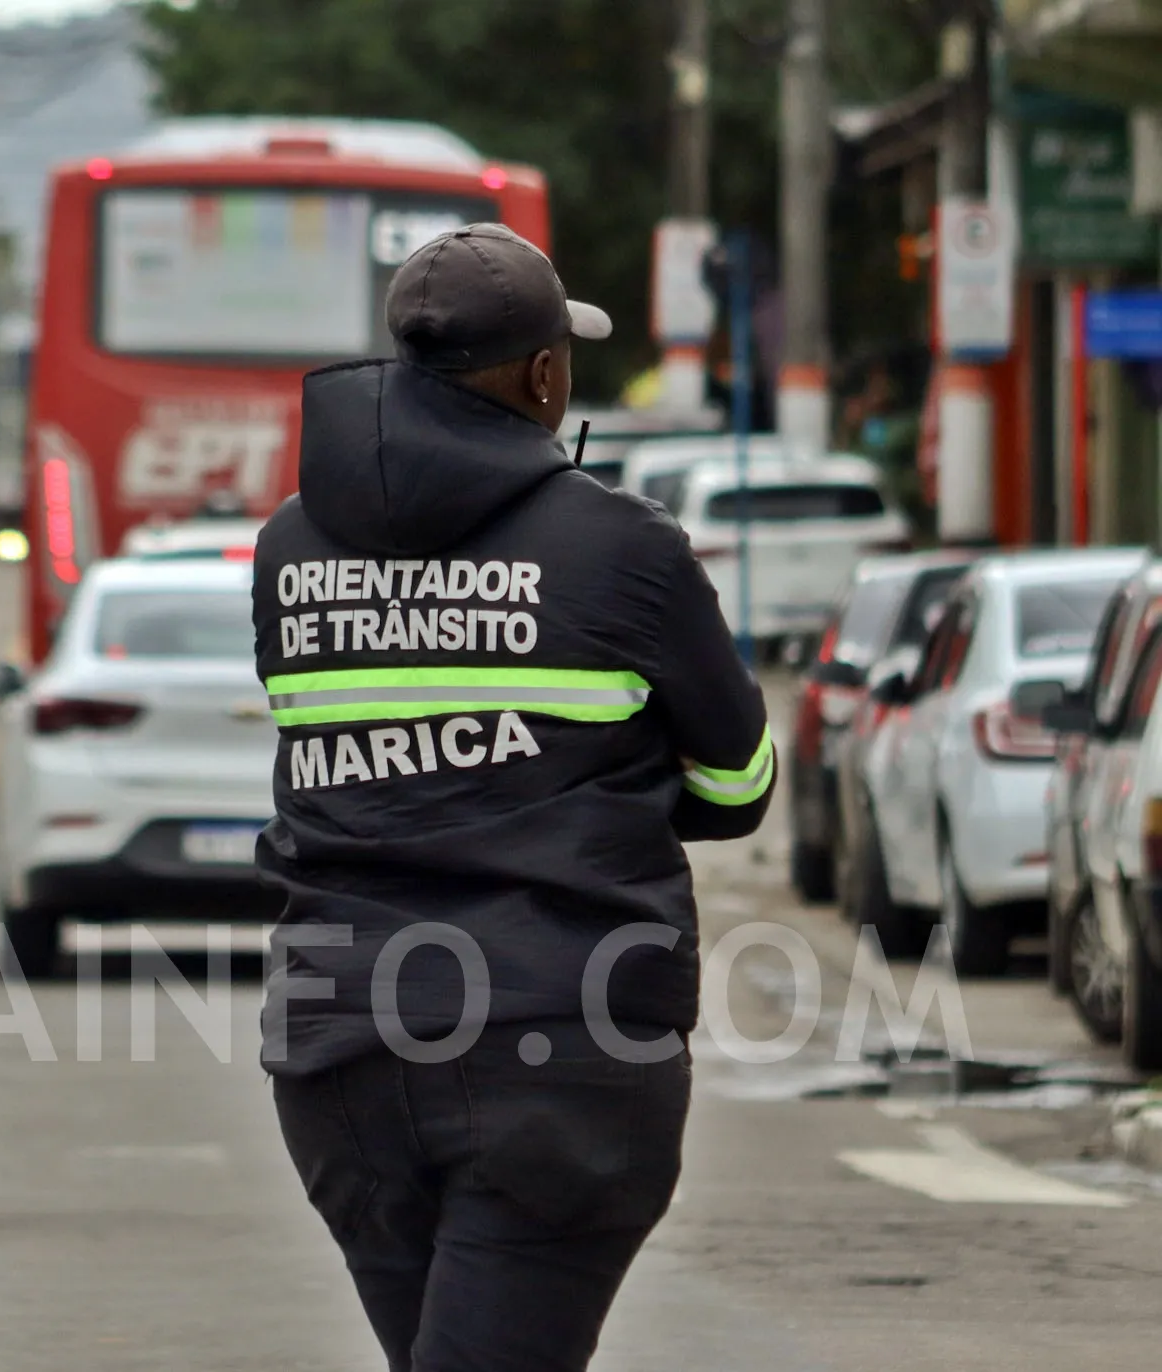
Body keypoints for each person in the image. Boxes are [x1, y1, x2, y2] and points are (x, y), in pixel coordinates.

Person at [251, 223, 775, 1372]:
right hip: (558, 1048)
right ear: (544, 375)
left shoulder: (287, 548)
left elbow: (353, 756)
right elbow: (737, 785)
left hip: (340, 1052)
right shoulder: (623, 547)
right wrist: (586, 787)